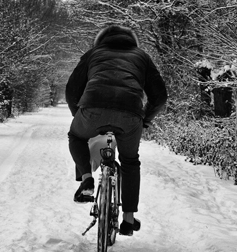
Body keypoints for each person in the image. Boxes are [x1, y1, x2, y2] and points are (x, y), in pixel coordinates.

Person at [65, 24, 168, 236]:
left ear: (100, 41)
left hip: (92, 108)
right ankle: (128, 220)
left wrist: (80, 115)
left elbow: (71, 90)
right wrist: (145, 120)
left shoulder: (93, 54)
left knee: (76, 136)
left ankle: (86, 179)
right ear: (132, 41)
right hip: (130, 114)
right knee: (130, 161)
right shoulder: (142, 57)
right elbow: (159, 97)